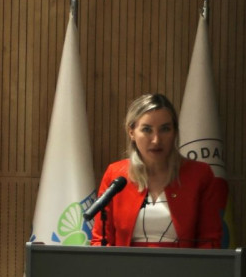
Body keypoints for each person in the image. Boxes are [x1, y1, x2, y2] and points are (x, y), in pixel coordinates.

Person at [90, 93, 226, 248]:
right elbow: (100, 240)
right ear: (131, 132)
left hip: (182, 263)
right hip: (124, 263)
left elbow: (210, 241)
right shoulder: (116, 174)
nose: (156, 140)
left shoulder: (199, 175)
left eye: (165, 129)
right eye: (147, 129)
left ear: (175, 132)